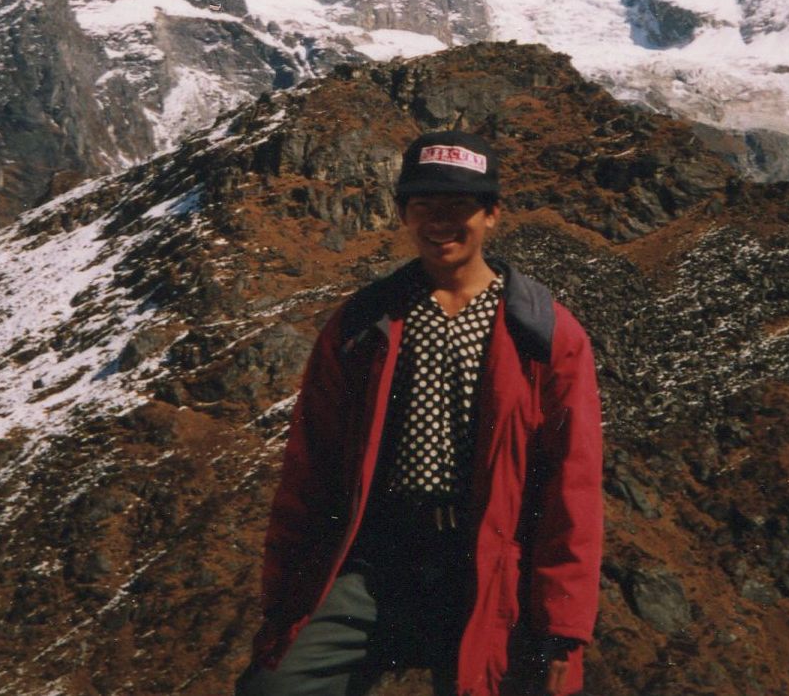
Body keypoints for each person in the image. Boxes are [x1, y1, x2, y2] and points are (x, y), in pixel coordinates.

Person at [239, 130, 603, 696]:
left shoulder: (546, 335)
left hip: (489, 565)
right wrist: (285, 597)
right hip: (374, 560)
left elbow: (571, 489)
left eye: (459, 206)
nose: (441, 221)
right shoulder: (364, 325)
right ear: (404, 214)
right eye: (424, 205)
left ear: (491, 215)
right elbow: (309, 466)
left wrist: (564, 629)